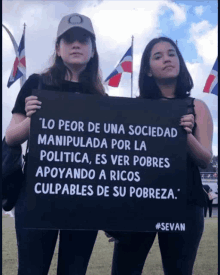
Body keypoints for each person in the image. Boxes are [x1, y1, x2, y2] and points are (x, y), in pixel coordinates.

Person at [5, 13, 106, 275]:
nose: (76, 44)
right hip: (37, 194)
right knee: (31, 270)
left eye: (83, 40)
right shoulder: (36, 83)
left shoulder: (101, 97)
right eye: (69, 39)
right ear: (58, 49)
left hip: (84, 200)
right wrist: (32, 120)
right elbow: (11, 137)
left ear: (92, 50)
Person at [108, 37, 213, 275]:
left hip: (184, 205)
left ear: (180, 61)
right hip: (139, 203)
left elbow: (205, 159)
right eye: (158, 56)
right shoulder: (135, 107)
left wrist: (185, 136)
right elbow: (120, 160)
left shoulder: (197, 107)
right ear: (147, 70)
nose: (167, 59)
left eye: (171, 53)